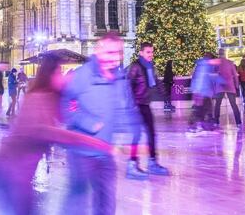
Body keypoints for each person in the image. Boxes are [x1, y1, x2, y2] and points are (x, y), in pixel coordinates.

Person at [0, 53, 111, 215]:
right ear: (50, 74)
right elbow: (49, 132)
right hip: (12, 172)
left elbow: (66, 116)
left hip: (19, 173)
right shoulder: (38, 97)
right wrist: (90, 141)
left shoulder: (49, 97)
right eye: (59, 72)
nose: (62, 76)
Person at [60, 33, 140, 214]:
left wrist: (134, 133)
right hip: (81, 150)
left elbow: (125, 109)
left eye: (118, 53)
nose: (115, 58)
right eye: (110, 52)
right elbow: (65, 104)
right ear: (99, 50)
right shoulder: (83, 75)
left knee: (107, 199)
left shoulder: (119, 77)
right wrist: (88, 123)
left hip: (105, 151)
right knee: (78, 200)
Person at [127, 42, 170, 178]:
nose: (151, 55)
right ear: (141, 53)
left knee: (151, 134)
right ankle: (132, 164)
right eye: (148, 52)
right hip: (136, 105)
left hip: (145, 104)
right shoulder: (136, 67)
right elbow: (128, 86)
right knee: (136, 135)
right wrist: (131, 104)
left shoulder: (150, 67)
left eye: (152, 52)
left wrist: (166, 97)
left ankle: (152, 163)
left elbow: (156, 82)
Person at [214, 49, 244, 130]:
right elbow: (234, 74)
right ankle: (238, 122)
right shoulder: (230, 62)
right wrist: (237, 85)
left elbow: (214, 75)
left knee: (218, 104)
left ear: (218, 54)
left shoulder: (216, 63)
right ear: (224, 54)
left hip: (220, 86)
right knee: (233, 104)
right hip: (230, 86)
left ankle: (216, 122)